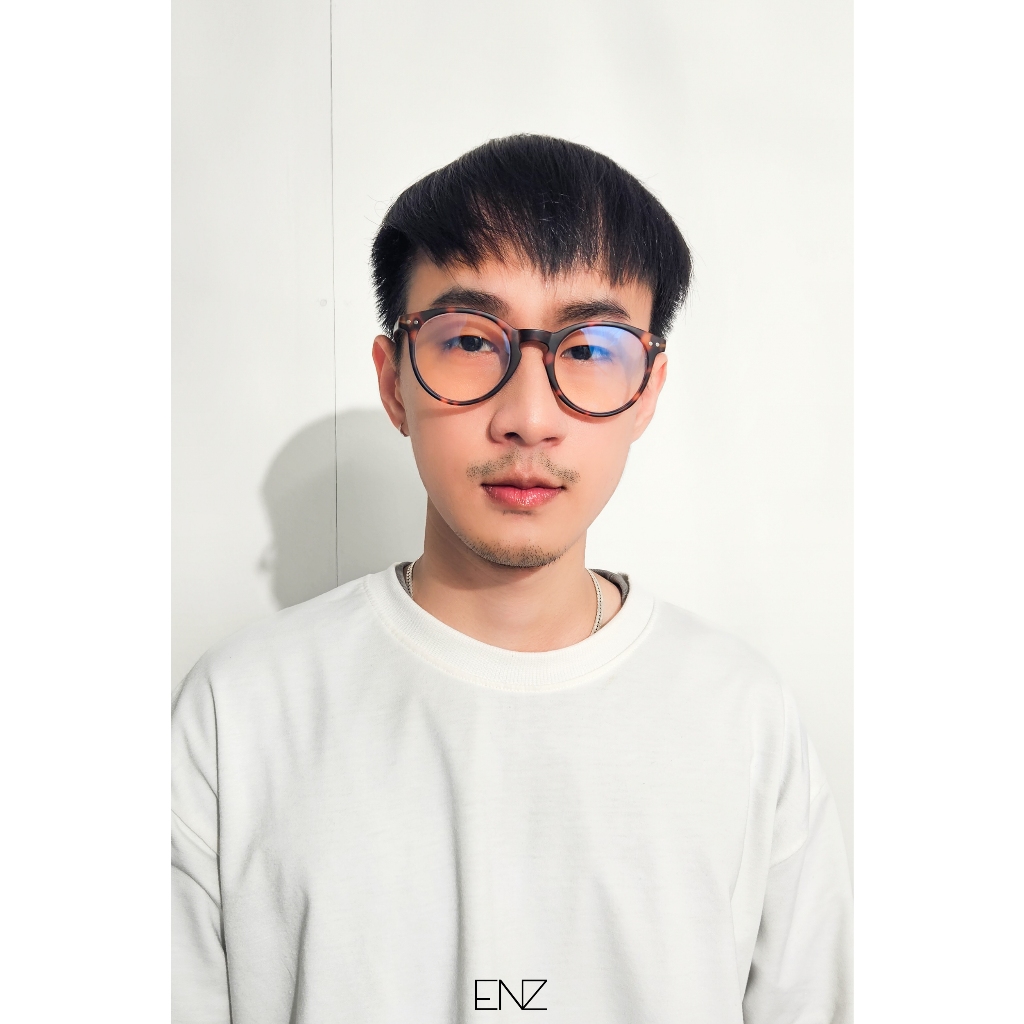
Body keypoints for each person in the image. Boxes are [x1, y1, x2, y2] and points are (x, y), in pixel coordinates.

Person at [172, 135, 852, 1023]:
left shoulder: (742, 715)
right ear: (393, 382)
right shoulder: (240, 713)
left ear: (648, 392)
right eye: (468, 339)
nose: (529, 417)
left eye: (590, 349)